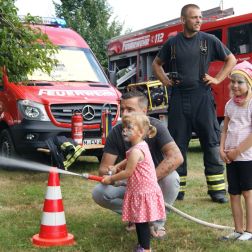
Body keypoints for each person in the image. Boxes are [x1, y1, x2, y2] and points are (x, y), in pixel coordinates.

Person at [152, 4, 237, 203]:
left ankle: (217, 191)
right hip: (179, 98)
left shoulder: (209, 41)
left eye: (200, 17)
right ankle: (177, 189)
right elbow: (156, 64)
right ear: (183, 20)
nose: (199, 20)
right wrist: (165, 80)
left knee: (211, 143)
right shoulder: (172, 44)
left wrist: (217, 79)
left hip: (202, 98)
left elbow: (231, 59)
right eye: (194, 17)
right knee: (177, 145)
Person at [92, 90, 183, 239]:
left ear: (144, 111)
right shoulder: (117, 132)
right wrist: (112, 174)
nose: (125, 114)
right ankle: (136, 217)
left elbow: (176, 157)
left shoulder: (156, 127)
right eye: (122, 109)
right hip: (129, 184)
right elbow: (103, 169)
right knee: (99, 192)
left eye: (130, 110)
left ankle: (157, 223)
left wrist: (147, 181)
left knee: (172, 178)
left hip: (153, 184)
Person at [102, 113, 166, 251]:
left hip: (142, 191)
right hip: (141, 190)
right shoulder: (140, 146)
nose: (124, 130)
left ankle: (145, 248)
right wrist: (116, 166)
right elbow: (128, 159)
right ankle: (142, 245)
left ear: (141, 132)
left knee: (141, 221)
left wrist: (111, 178)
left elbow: (128, 172)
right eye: (124, 127)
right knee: (139, 220)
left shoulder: (137, 151)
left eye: (129, 127)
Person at [220, 61, 252, 241]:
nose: (235, 85)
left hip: (247, 157)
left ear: (249, 84)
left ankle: (250, 230)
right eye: (233, 81)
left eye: (240, 82)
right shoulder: (229, 105)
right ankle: (238, 229)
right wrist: (222, 149)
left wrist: (237, 151)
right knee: (234, 193)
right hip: (231, 158)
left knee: (248, 192)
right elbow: (225, 129)